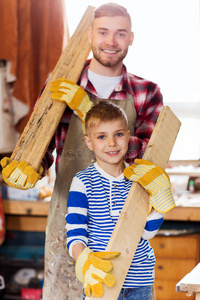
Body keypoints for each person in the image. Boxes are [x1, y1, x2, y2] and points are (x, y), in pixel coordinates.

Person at [0, 3, 163, 188]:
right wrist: (31, 169)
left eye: (120, 34)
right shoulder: (61, 84)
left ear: (131, 38)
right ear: (90, 35)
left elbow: (148, 159)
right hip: (66, 211)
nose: (111, 41)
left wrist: (88, 111)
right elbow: (42, 148)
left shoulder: (148, 92)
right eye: (103, 32)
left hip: (121, 213)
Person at [66, 101, 175, 299]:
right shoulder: (82, 182)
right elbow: (75, 234)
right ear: (89, 142)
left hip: (140, 282)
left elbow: (147, 234)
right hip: (102, 281)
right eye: (101, 136)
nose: (112, 143)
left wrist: (160, 205)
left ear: (127, 134)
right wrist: (84, 261)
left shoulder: (140, 179)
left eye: (118, 134)